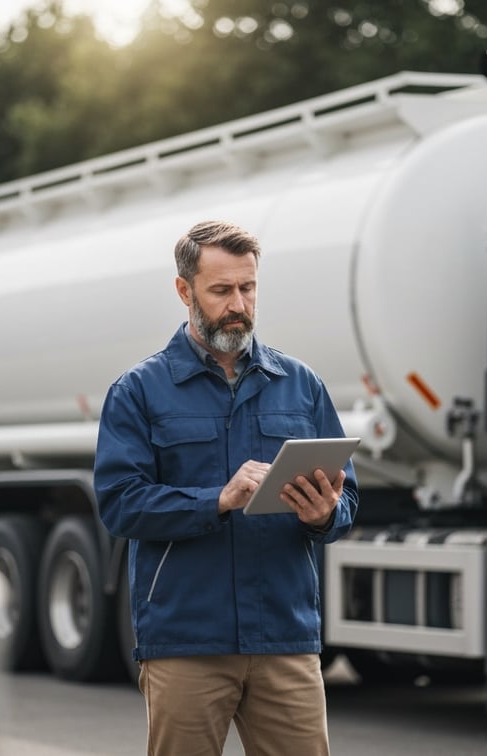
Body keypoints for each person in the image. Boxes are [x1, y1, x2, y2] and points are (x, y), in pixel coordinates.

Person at [93, 220, 359, 755]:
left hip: (284, 637)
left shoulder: (301, 385)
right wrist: (216, 500)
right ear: (184, 291)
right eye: (221, 290)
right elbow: (120, 503)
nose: (238, 304)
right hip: (187, 641)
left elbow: (346, 499)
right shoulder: (139, 391)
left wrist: (325, 515)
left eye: (248, 287)